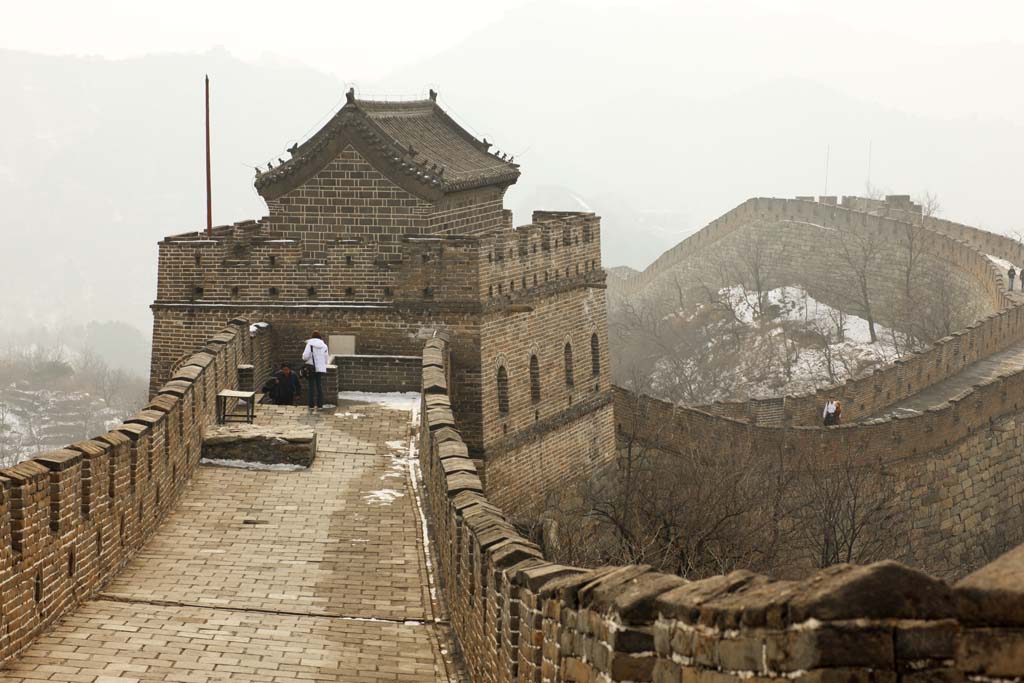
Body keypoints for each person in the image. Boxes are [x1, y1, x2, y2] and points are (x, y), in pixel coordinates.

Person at [302, 331, 330, 412]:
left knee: (311, 387)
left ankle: (311, 405)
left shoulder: (310, 344)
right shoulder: (324, 346)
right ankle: (320, 405)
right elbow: (326, 359)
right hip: (320, 369)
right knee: (319, 386)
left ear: (312, 337)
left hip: (311, 368)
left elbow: (305, 357)